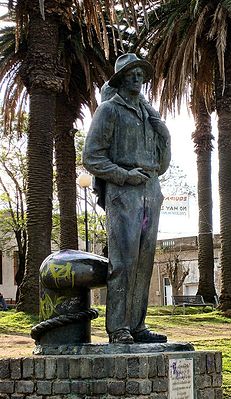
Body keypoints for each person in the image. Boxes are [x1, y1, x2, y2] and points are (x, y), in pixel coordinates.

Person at [83, 53, 171, 344]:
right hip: (124, 192)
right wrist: (123, 175)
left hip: (150, 190)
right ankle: (118, 327)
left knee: (145, 262)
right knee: (123, 262)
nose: (137, 78)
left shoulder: (148, 114)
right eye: (131, 73)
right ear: (120, 78)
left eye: (140, 73)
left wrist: (164, 135)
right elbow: (92, 157)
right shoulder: (109, 110)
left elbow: (161, 163)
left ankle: (137, 325)